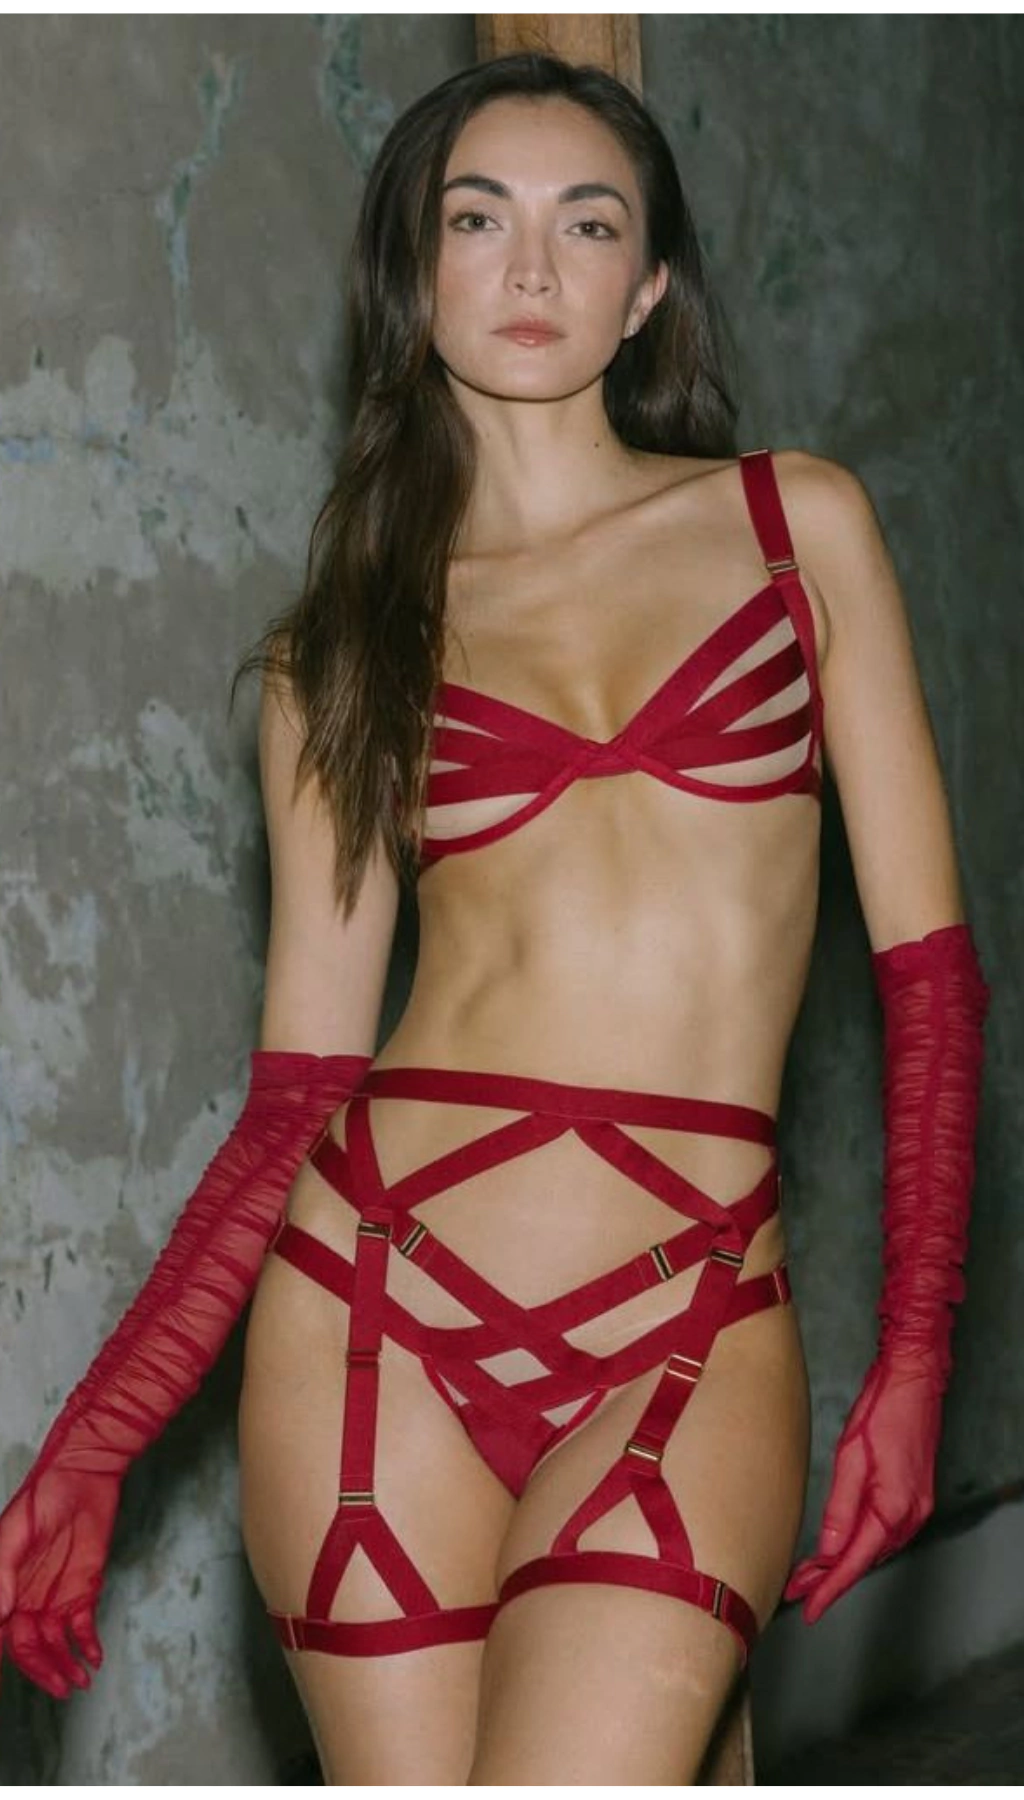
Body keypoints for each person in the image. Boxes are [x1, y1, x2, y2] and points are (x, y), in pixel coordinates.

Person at [0, 51, 989, 1786]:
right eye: (479, 220)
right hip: (371, 1313)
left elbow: (931, 986)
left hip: (687, 1320)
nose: (531, 268)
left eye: (586, 225)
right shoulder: (336, 653)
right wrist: (100, 1436)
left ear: (648, 286)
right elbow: (297, 1097)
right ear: (415, 267)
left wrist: (917, 1355)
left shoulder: (794, 527)